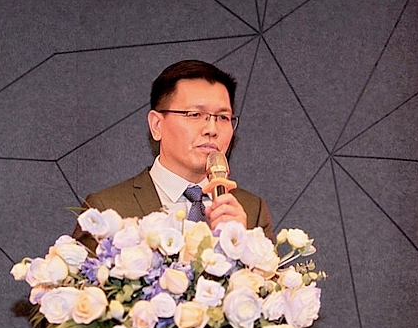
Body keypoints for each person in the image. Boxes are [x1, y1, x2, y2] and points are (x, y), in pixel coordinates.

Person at [73, 60, 272, 248]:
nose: (212, 129)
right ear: (157, 125)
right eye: (195, 115)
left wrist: (241, 248)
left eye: (222, 117)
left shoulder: (251, 210)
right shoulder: (107, 209)